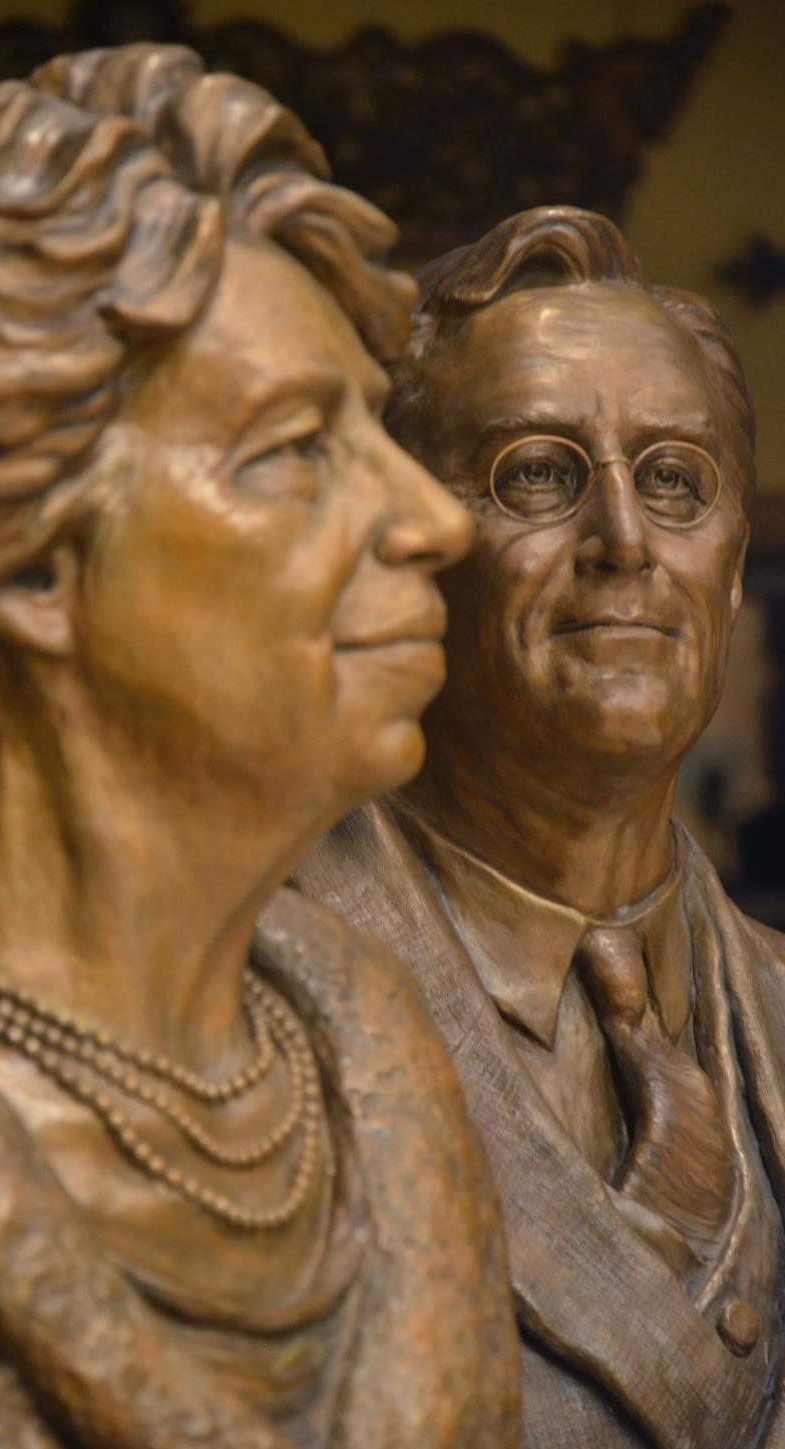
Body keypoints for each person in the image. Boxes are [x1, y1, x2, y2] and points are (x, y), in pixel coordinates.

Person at [0, 45, 520, 1449]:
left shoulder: (378, 1065)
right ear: (26, 567)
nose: (439, 522)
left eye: (375, 433)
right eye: (291, 450)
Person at [297, 205, 785, 1449]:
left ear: (731, 571)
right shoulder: (254, 995)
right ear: (400, 552)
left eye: (677, 481)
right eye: (537, 476)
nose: (625, 541)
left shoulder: (778, 1005)